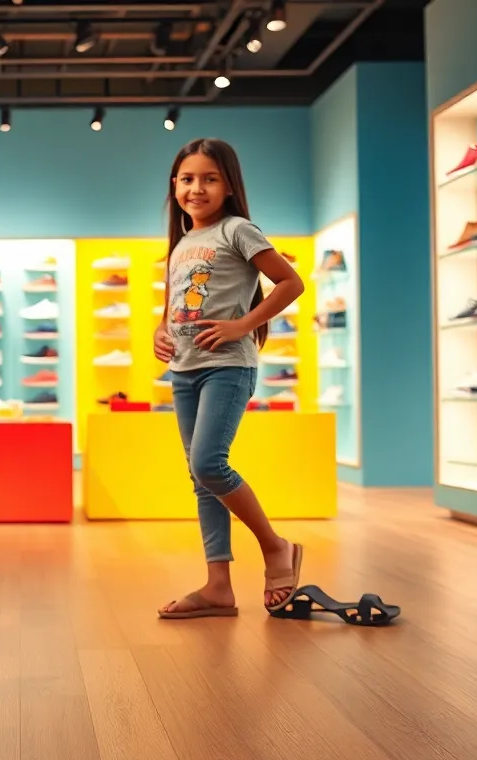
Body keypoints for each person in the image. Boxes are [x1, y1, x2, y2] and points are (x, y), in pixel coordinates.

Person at [153, 138, 307, 619]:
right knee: (201, 479)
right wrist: (159, 331)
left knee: (209, 464)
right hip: (184, 372)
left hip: (228, 366)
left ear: (229, 186)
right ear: (174, 185)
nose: (196, 188)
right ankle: (218, 585)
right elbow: (172, 305)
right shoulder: (180, 244)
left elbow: (291, 283)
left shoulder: (237, 230)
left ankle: (276, 546)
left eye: (209, 178)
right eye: (187, 179)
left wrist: (244, 324)